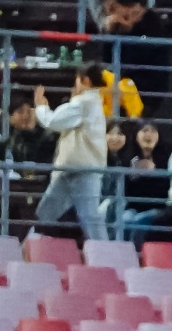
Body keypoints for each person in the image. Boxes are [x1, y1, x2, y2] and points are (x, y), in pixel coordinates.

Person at [33, 65, 112, 241]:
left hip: (82, 170)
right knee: (45, 213)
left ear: (85, 80)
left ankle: (105, 255)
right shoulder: (91, 102)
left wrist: (40, 107)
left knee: (90, 219)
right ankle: (29, 249)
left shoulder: (83, 103)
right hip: (74, 169)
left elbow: (52, 121)